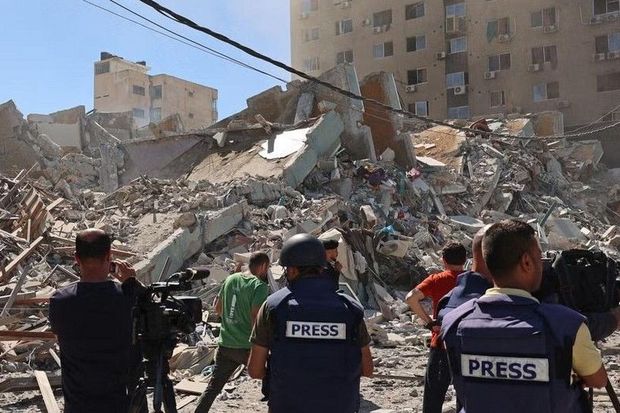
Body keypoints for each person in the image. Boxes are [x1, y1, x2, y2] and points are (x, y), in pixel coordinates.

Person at [441, 219, 607, 413]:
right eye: (539, 256)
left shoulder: (455, 321)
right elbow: (598, 379)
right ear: (526, 262)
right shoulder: (565, 325)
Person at [247, 233, 374, 413]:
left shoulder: (274, 306)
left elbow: (255, 371)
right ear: (322, 268)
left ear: (292, 270)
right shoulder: (350, 308)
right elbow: (367, 369)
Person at [49, 229, 145, 413]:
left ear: (76, 258)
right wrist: (132, 283)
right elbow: (150, 314)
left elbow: (58, 334)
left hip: (79, 405)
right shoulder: (128, 297)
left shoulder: (60, 301)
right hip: (124, 404)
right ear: (109, 256)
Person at [194, 252, 270, 413]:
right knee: (272, 378)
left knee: (213, 387)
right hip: (246, 347)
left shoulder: (230, 279)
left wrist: (233, 320)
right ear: (263, 266)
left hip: (225, 344)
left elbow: (218, 309)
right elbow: (256, 318)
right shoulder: (260, 286)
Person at [405, 242, 467, 413]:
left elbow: (411, 298)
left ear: (443, 260)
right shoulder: (472, 281)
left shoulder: (437, 279)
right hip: (466, 345)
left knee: (433, 397)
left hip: (441, 343)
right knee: (466, 398)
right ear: (465, 260)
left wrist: (429, 323)